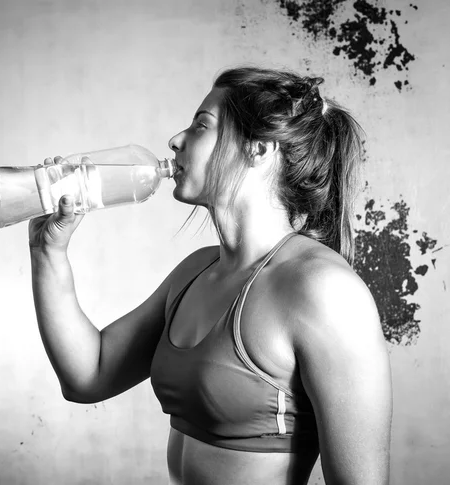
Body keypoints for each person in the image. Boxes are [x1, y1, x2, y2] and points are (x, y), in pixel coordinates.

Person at [28, 66, 392, 485]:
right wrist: (47, 253)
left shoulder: (322, 290)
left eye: (202, 124)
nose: (175, 140)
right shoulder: (197, 270)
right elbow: (88, 376)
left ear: (260, 148)